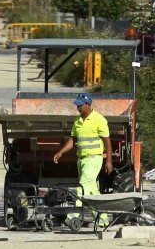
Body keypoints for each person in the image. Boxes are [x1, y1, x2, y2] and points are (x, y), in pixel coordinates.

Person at [53, 93, 112, 227]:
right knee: (92, 191)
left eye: (80, 105)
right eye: (77, 105)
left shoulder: (99, 119)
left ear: (88, 105)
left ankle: (72, 216)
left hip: (94, 158)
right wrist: (61, 152)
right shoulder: (78, 121)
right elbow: (73, 140)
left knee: (83, 185)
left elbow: (107, 141)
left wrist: (108, 161)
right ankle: (102, 220)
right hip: (81, 160)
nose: (78, 107)